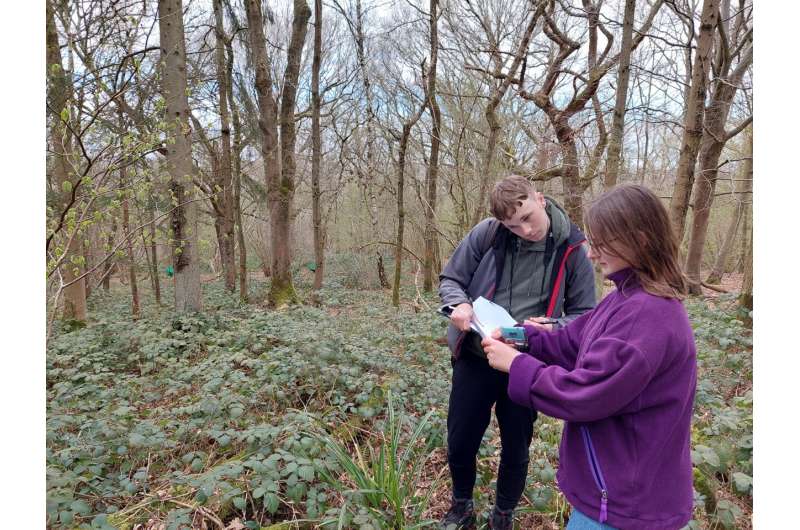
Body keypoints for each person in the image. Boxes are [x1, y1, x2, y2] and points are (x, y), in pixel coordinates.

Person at [481, 184, 697, 530]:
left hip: (628, 505)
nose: (593, 255)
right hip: (614, 491)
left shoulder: (648, 316)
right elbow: (572, 343)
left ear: (639, 240)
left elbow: (586, 394)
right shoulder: (625, 297)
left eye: (601, 243)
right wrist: (521, 338)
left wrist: (517, 365)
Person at [438, 175, 596, 529]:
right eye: (514, 225)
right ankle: (462, 505)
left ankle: (504, 514)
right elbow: (451, 279)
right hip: (478, 356)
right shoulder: (489, 233)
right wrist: (458, 304)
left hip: (527, 362)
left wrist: (552, 327)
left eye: (528, 217)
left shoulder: (572, 247)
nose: (524, 230)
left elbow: (586, 315)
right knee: (461, 439)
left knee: (516, 445)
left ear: (539, 198)